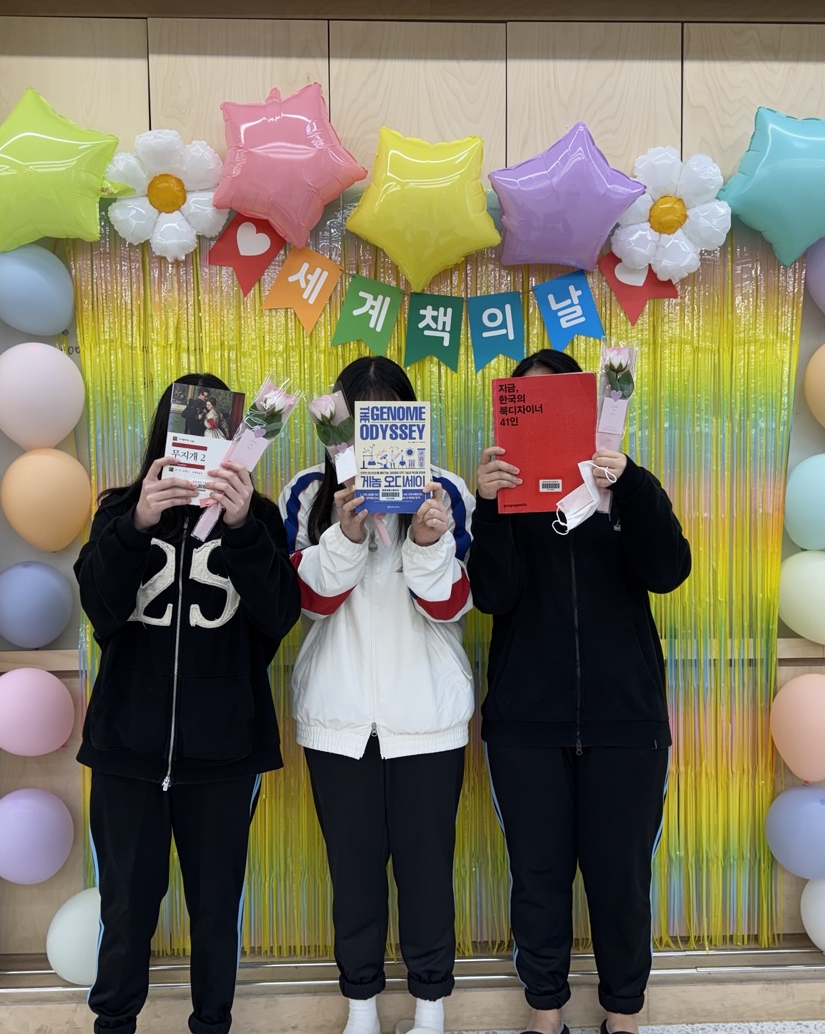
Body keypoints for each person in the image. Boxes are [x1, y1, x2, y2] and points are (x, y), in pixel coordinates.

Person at [467, 349, 691, 1034]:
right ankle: (545, 1013)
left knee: (621, 879)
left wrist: (632, 485)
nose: (544, 414)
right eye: (528, 404)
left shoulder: (624, 485)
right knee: (537, 878)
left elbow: (668, 571)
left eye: (559, 400)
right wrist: (489, 507)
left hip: (626, 721)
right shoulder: (506, 496)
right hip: (526, 724)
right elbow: (493, 594)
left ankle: (624, 1013)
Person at [74, 373, 301, 1034]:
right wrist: (136, 525)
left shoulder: (259, 519)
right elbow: (100, 610)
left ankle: (213, 1023)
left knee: (216, 910)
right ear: (165, 432)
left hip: (223, 754)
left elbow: (279, 615)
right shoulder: (120, 510)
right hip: (126, 752)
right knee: (125, 908)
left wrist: (241, 527)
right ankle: (114, 1024)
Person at [279, 356, 475, 1034]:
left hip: (427, 718)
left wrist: (425, 539)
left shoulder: (444, 490)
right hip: (336, 721)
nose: (372, 430)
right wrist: (348, 532)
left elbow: (452, 604)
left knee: (427, 871)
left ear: (409, 419)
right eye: (357, 417)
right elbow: (307, 602)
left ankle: (430, 1007)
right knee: (353, 872)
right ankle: (360, 1005)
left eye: (386, 413)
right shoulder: (309, 491)